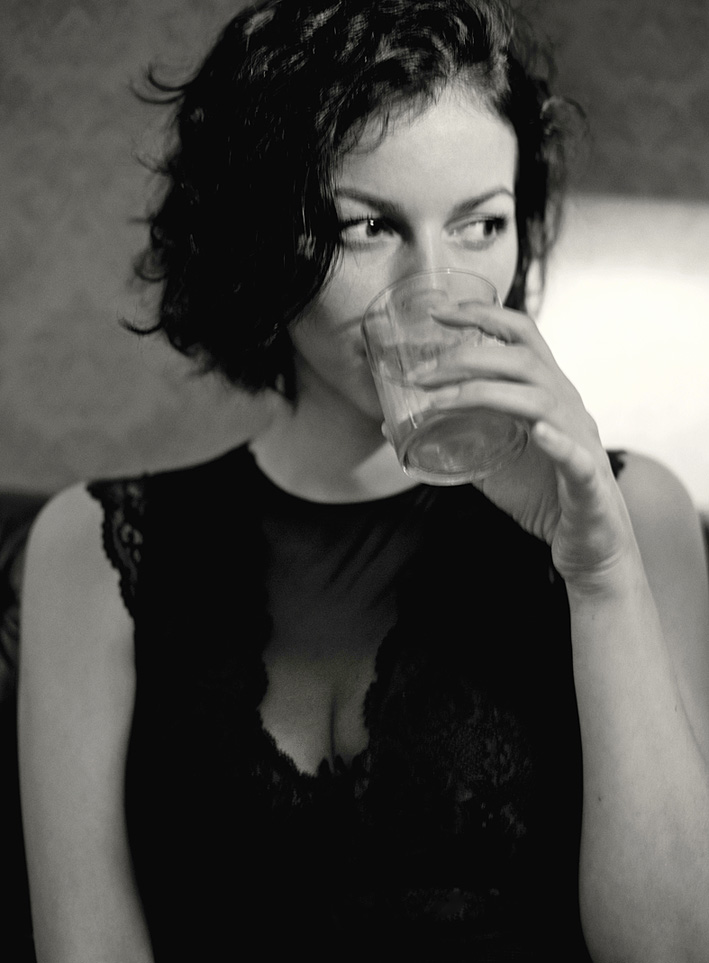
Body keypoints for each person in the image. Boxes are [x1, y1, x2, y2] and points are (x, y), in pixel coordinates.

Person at [17, 1, 709, 960]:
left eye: (481, 224)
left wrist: (601, 577)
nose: (432, 287)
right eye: (369, 226)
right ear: (261, 239)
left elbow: (674, 948)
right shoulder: (90, 551)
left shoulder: (631, 514)